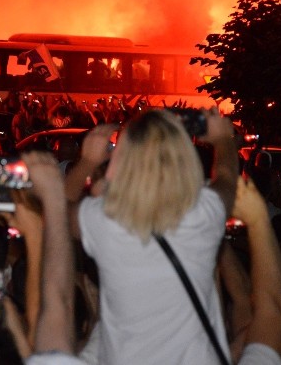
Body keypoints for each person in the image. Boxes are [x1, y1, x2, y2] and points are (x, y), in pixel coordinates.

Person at [70, 109, 239, 364]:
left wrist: (87, 161)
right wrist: (223, 139)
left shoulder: (104, 220)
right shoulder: (204, 213)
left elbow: (56, 209)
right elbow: (226, 179)